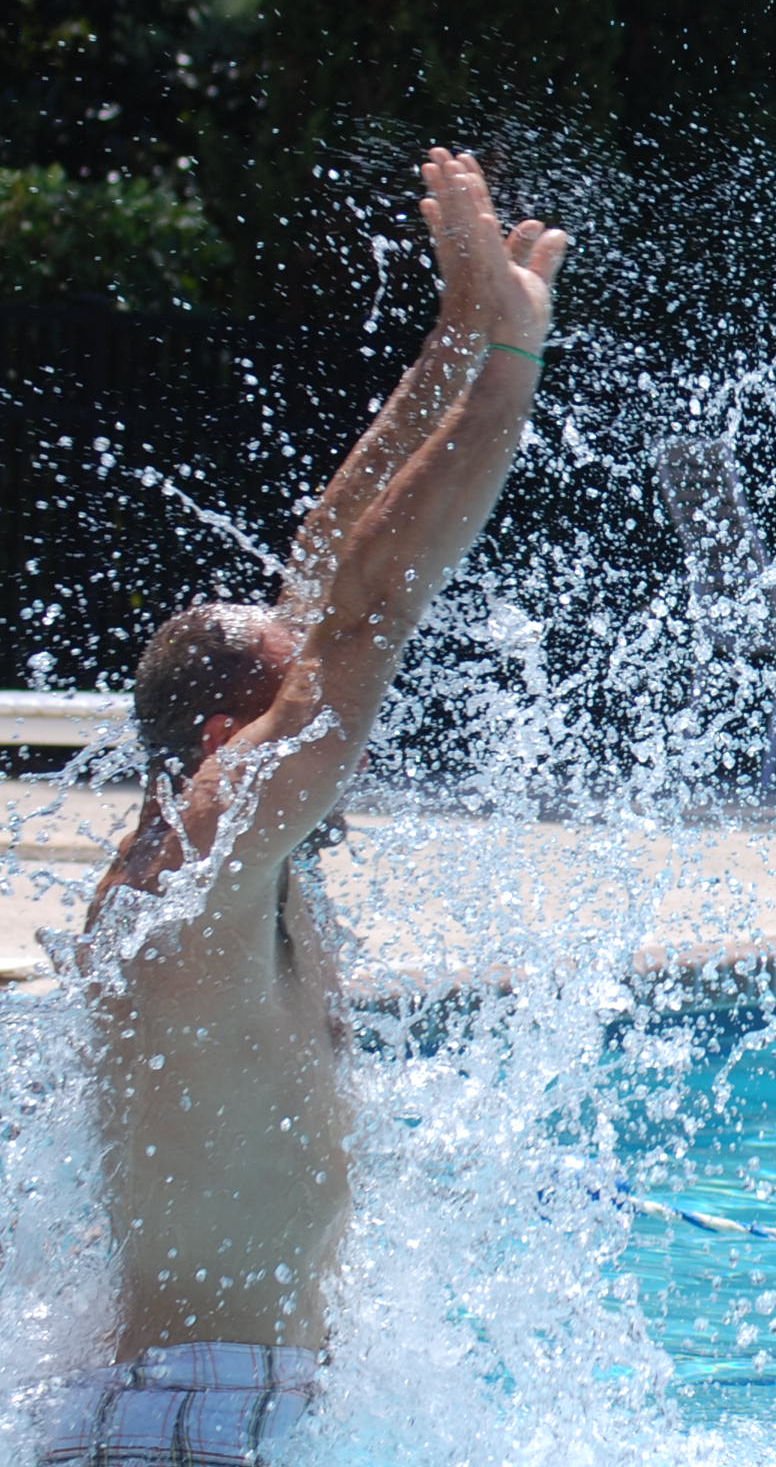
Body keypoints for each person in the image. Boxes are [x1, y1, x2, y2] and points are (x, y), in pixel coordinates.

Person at [44, 151, 566, 1466]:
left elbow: (333, 566)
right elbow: (375, 612)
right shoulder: (209, 855)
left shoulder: (206, 853)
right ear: (229, 746)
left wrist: (454, 334)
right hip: (201, 1425)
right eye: (298, 716)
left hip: (201, 1400)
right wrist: (508, 365)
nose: (347, 742)